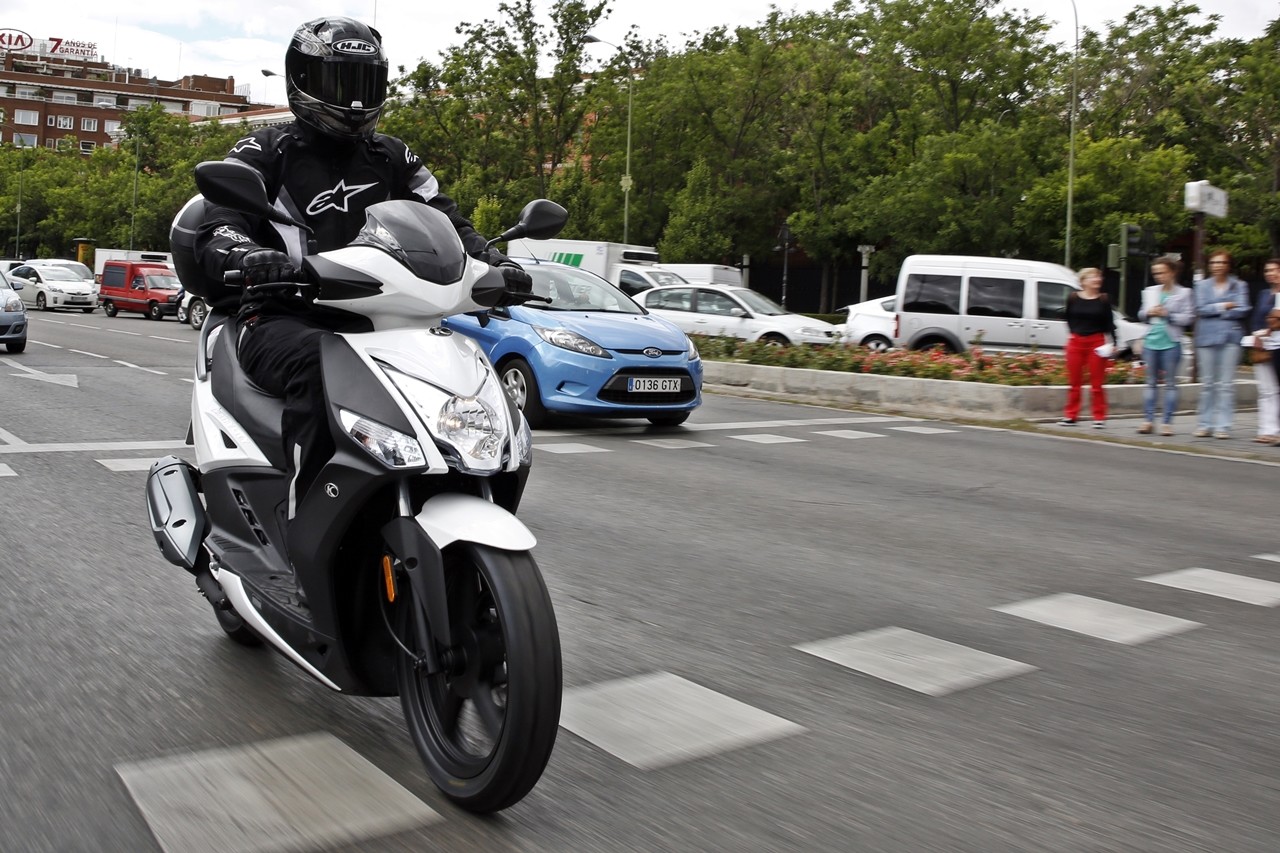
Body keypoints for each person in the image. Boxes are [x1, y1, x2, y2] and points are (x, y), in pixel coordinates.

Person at [194, 15, 529, 525]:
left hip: (386, 320)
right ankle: (304, 517)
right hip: (284, 316)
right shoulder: (264, 150)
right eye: (338, 82)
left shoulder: (393, 156)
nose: (353, 100)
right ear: (301, 79)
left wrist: (495, 261)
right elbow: (220, 224)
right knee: (322, 365)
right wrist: (246, 255)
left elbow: (448, 219)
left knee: (466, 372)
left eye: (364, 84)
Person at [1192, 250, 1250, 439]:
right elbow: (1201, 309)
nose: (1218, 266)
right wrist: (1225, 305)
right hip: (1206, 337)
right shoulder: (1202, 285)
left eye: (1222, 262)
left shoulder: (1239, 285)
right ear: (1210, 265)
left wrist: (1215, 310)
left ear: (1228, 265)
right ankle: (1205, 424)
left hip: (1230, 337)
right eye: (1214, 262)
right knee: (1208, 383)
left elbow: (1243, 309)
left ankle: (1223, 426)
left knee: (1226, 384)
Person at [1136, 258, 1194, 435]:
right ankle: (1148, 420)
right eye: (1156, 273)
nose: (1158, 276)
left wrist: (1168, 314)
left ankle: (1167, 422)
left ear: (1172, 272)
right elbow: (1140, 314)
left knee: (1170, 383)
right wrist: (1148, 312)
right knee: (1150, 382)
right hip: (1151, 341)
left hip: (1171, 342)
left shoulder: (1184, 293)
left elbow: (1189, 317)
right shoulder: (1151, 291)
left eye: (1162, 272)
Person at [1059, 267, 1116, 429]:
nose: (1097, 279)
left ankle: (1099, 417)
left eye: (1099, 277)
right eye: (1093, 277)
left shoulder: (1104, 299)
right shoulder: (1073, 298)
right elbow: (1068, 318)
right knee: (1074, 382)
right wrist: (1075, 333)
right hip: (1076, 341)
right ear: (1083, 281)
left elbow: (1110, 323)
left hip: (1096, 342)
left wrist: (1114, 343)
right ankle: (1071, 415)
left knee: (1097, 384)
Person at [1246, 258, 1280, 443]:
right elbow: (1256, 319)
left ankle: (1276, 430)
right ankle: (1266, 429)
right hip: (1263, 344)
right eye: (1268, 270)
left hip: (1277, 344)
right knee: (1266, 389)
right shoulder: (1264, 294)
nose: (1271, 274)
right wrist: (1257, 335)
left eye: (1275, 270)